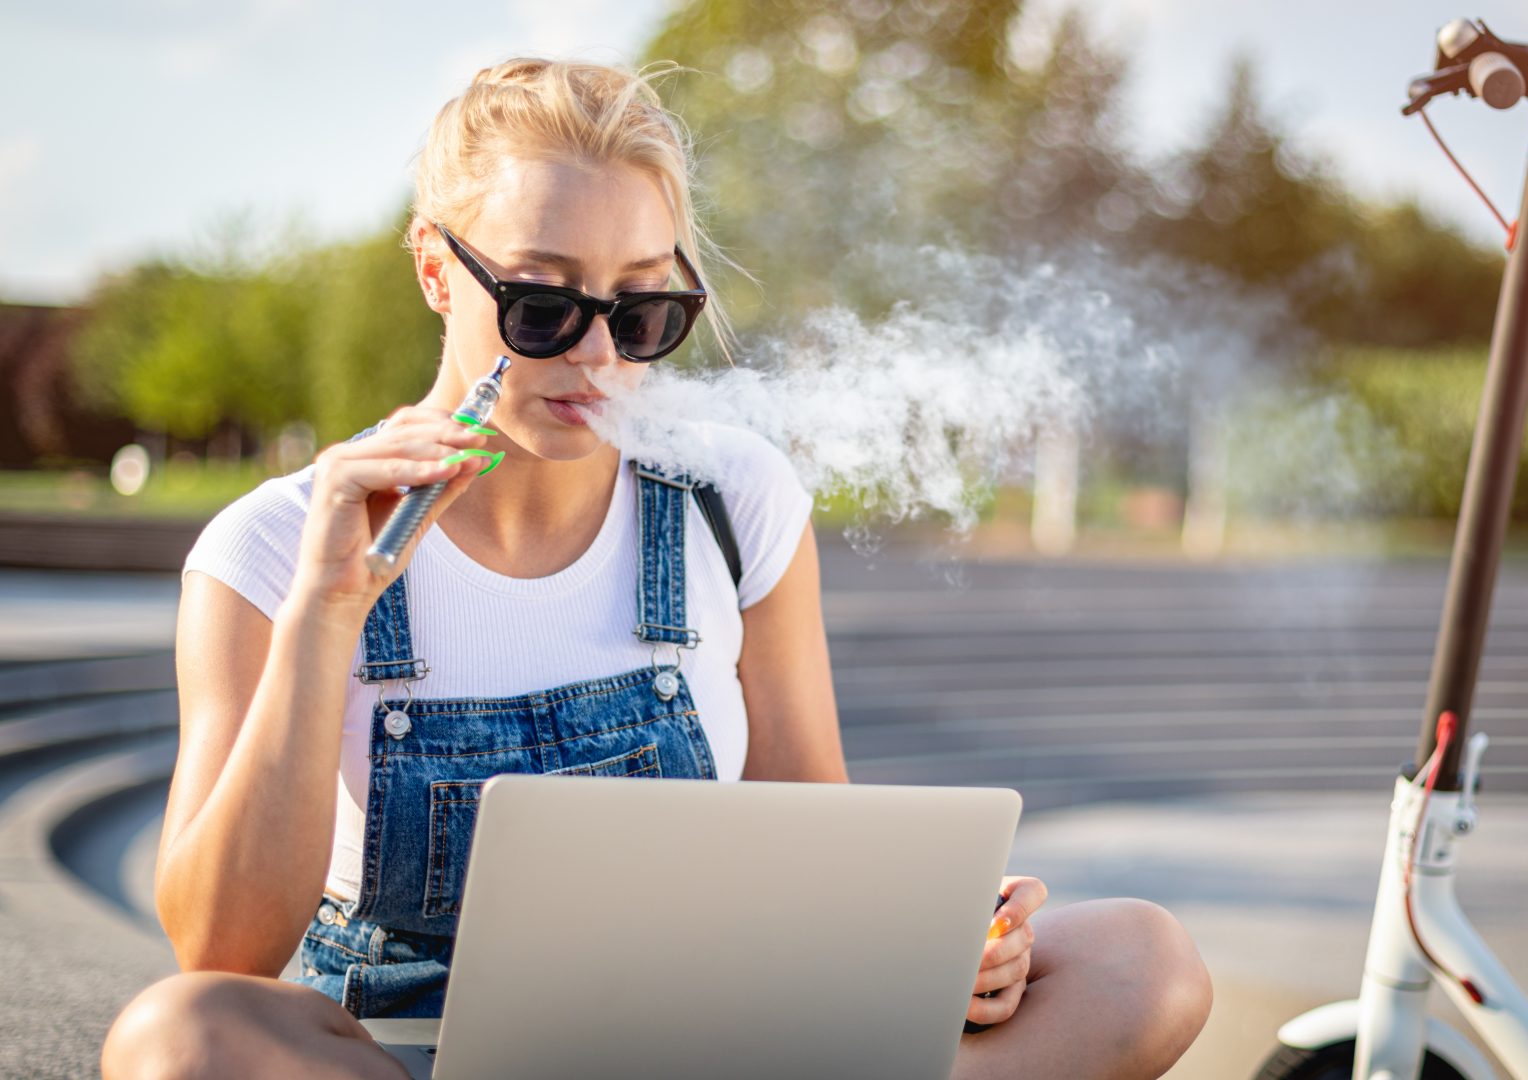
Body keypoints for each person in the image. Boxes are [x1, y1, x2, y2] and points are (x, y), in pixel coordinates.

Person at [101, 58, 1211, 1079]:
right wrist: (325, 610)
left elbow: (811, 848)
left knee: (1137, 962)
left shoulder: (736, 499)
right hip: (403, 1051)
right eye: (542, 306)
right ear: (438, 271)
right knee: (175, 1035)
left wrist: (943, 943)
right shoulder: (266, 546)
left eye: (643, 311)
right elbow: (221, 947)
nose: (596, 356)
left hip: (700, 1039)